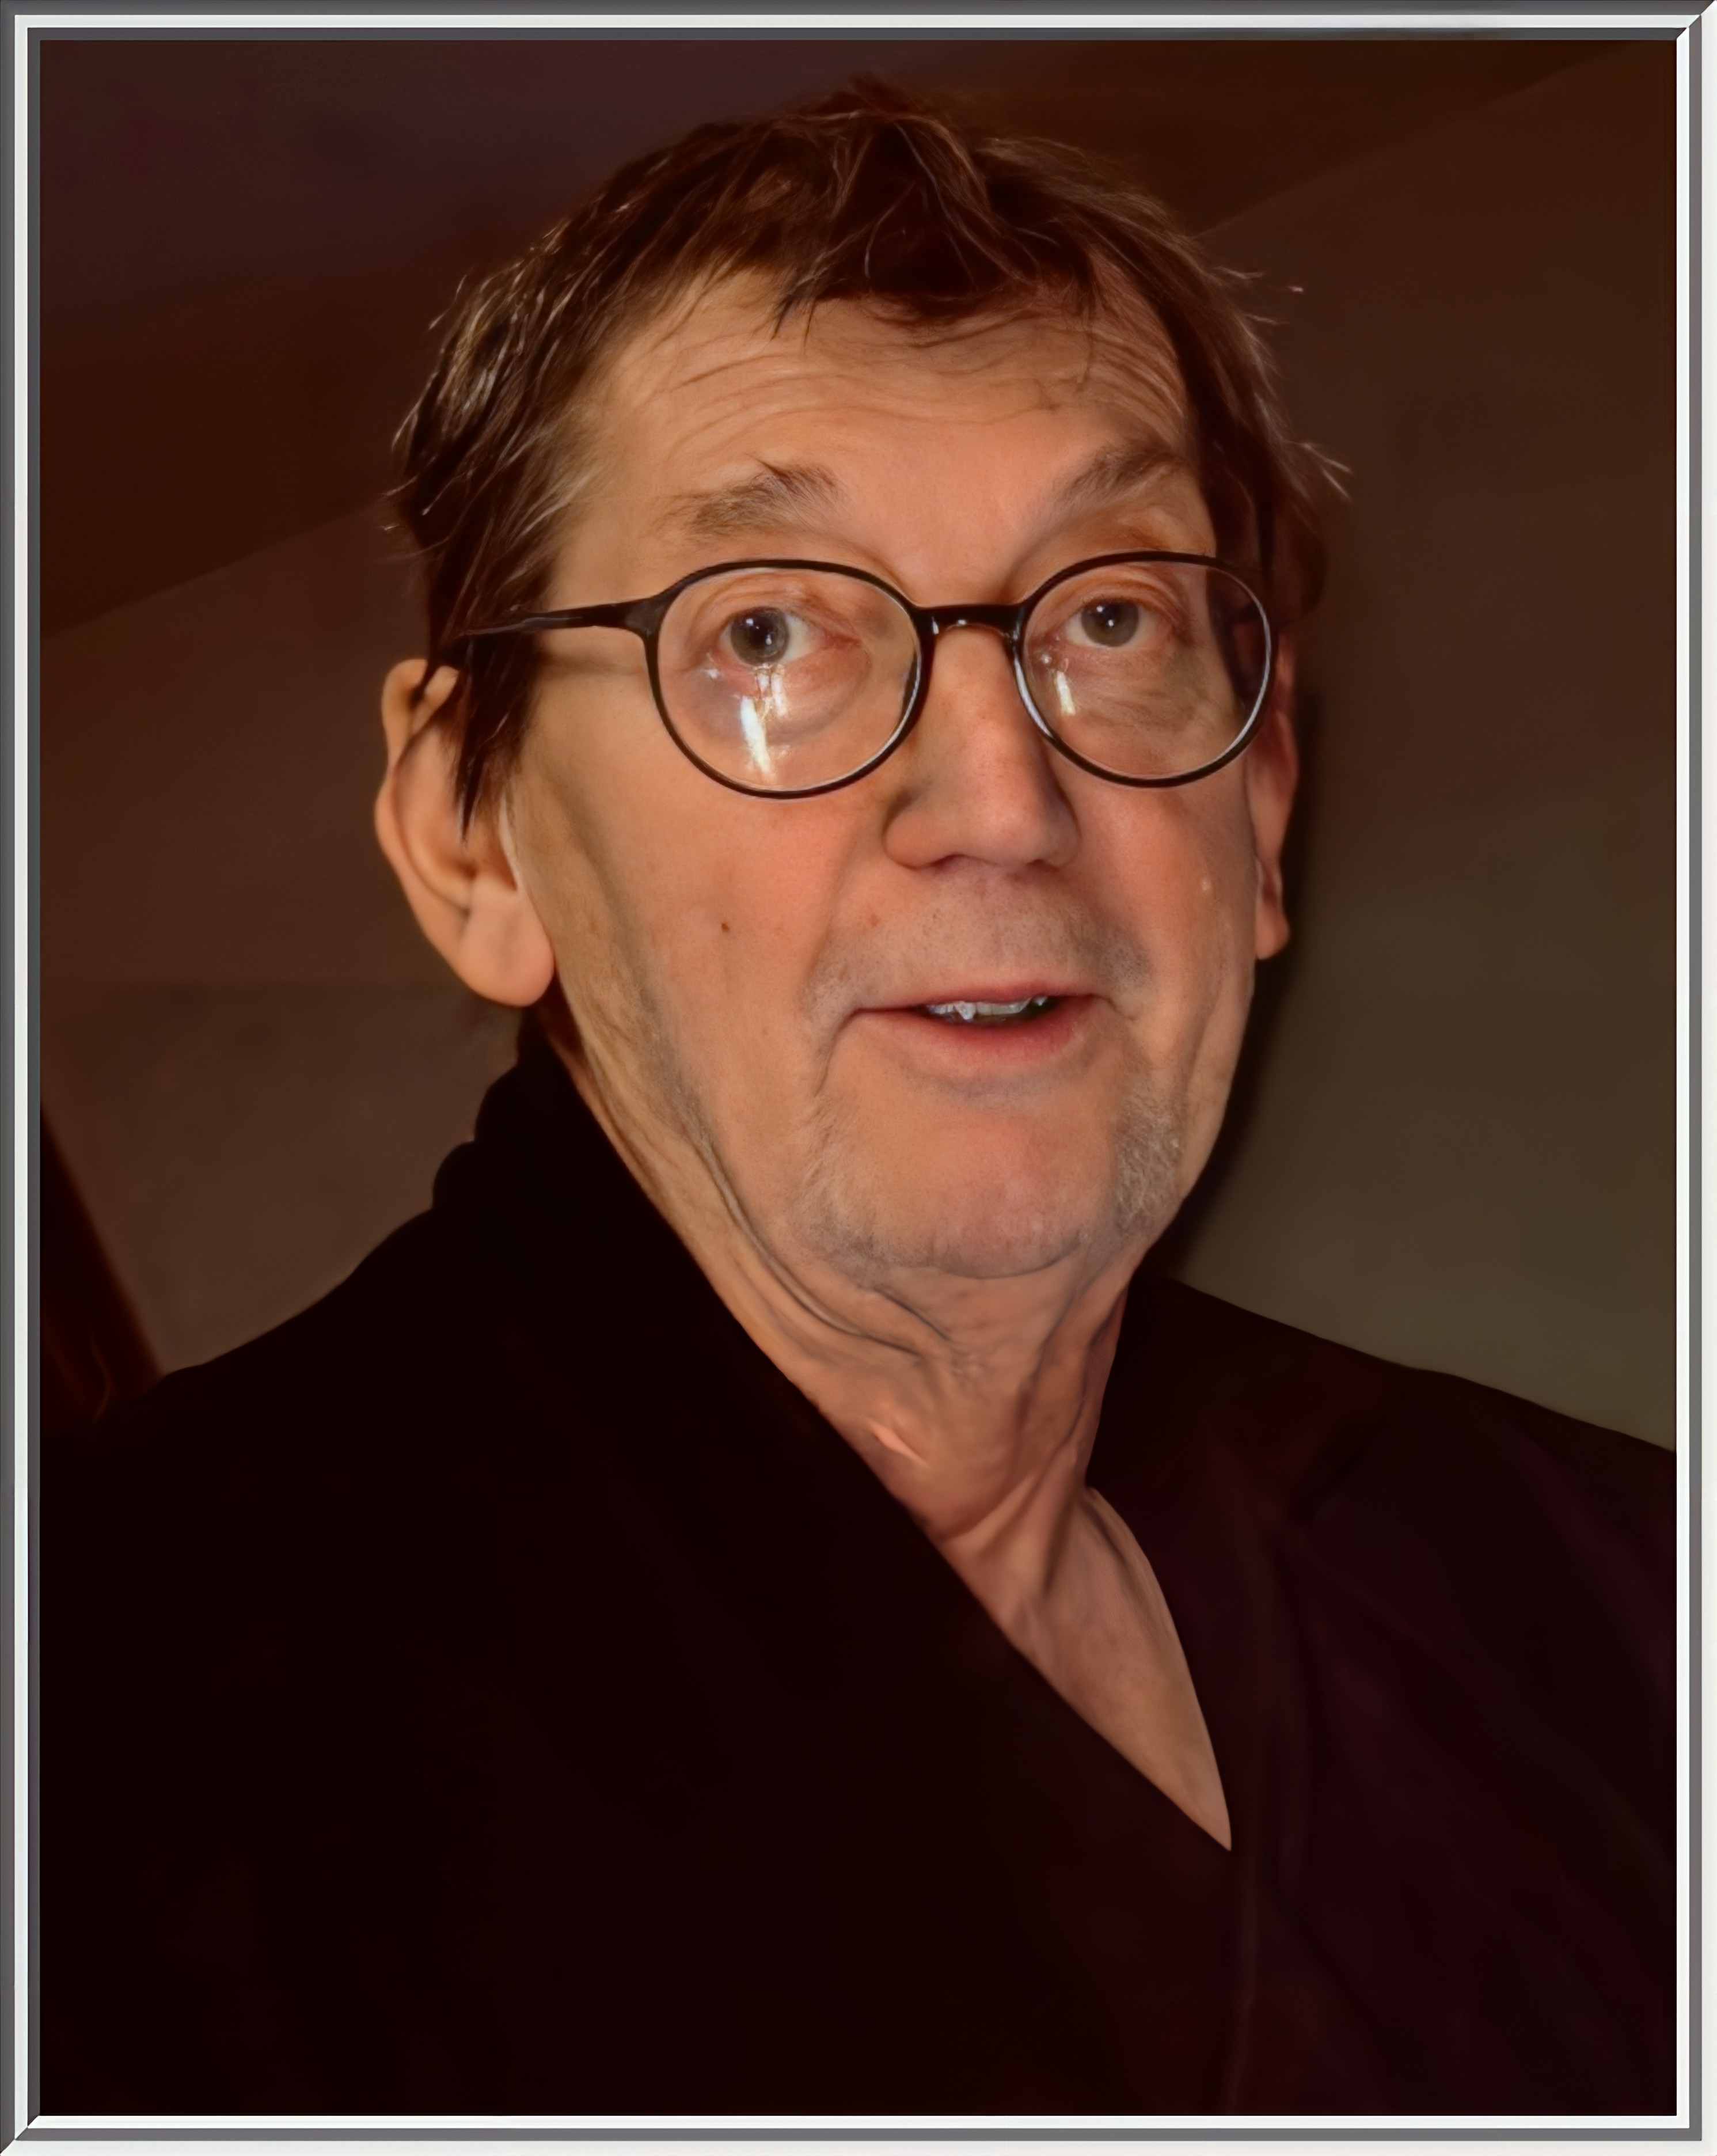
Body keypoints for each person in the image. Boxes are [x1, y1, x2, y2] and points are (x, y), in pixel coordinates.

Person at [43, 83, 1673, 2117]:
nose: (1000, 800)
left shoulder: (1612, 1578)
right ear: (471, 832)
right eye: (767, 632)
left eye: (1109, 616)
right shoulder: (93, 1751)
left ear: (1259, 819)